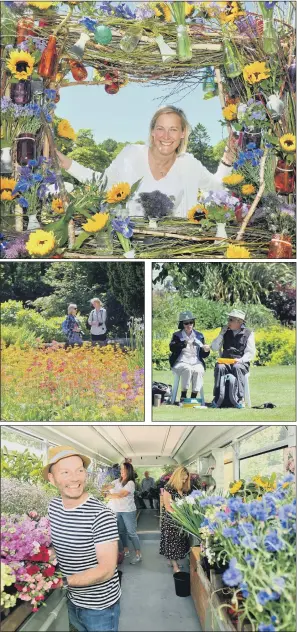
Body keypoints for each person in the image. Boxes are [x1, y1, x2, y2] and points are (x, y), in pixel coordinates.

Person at [56, 106, 236, 218]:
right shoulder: (130, 154)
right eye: (160, 129)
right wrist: (67, 164)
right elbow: (103, 184)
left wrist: (227, 162)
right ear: (152, 132)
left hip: (174, 244)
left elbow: (217, 189)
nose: (166, 136)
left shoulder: (190, 164)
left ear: (183, 134)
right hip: (131, 241)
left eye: (173, 129)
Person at [44, 445, 121, 632]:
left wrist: (59, 581)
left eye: (79, 470)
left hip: (99, 608)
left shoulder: (101, 514)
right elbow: (57, 544)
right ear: (52, 479)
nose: (75, 478)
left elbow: (106, 569)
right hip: (69, 600)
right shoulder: (53, 507)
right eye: (65, 472)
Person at [204, 309, 256, 408]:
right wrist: (221, 334)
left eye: (231, 319)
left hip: (241, 362)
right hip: (225, 361)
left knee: (237, 367)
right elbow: (214, 347)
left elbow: (250, 353)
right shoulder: (225, 332)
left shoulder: (248, 333)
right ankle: (218, 398)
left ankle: (240, 399)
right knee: (220, 367)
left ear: (239, 322)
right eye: (229, 319)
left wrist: (240, 360)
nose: (228, 322)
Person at [104, 462, 142, 565]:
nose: (121, 471)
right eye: (121, 469)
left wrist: (109, 495)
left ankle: (138, 554)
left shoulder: (130, 483)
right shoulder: (116, 481)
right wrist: (105, 490)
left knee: (132, 533)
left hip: (128, 511)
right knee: (121, 532)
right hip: (117, 510)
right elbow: (105, 489)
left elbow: (121, 494)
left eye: (124, 470)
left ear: (128, 471)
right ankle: (126, 551)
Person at [169, 311, 210, 403]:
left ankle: (193, 397)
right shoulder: (177, 335)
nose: (189, 325)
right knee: (187, 369)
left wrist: (206, 350)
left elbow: (203, 355)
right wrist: (183, 344)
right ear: (182, 324)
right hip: (181, 361)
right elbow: (172, 348)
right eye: (186, 323)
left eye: (191, 322)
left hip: (196, 361)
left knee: (199, 370)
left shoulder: (199, 335)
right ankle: (183, 395)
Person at [159, 466, 191, 574]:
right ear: (177, 476)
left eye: (186, 479)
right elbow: (168, 507)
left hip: (181, 520)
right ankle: (175, 565)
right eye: (182, 478)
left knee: (179, 542)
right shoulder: (168, 488)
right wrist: (181, 516)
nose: (184, 480)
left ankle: (172, 561)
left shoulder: (183, 489)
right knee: (172, 543)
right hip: (171, 520)